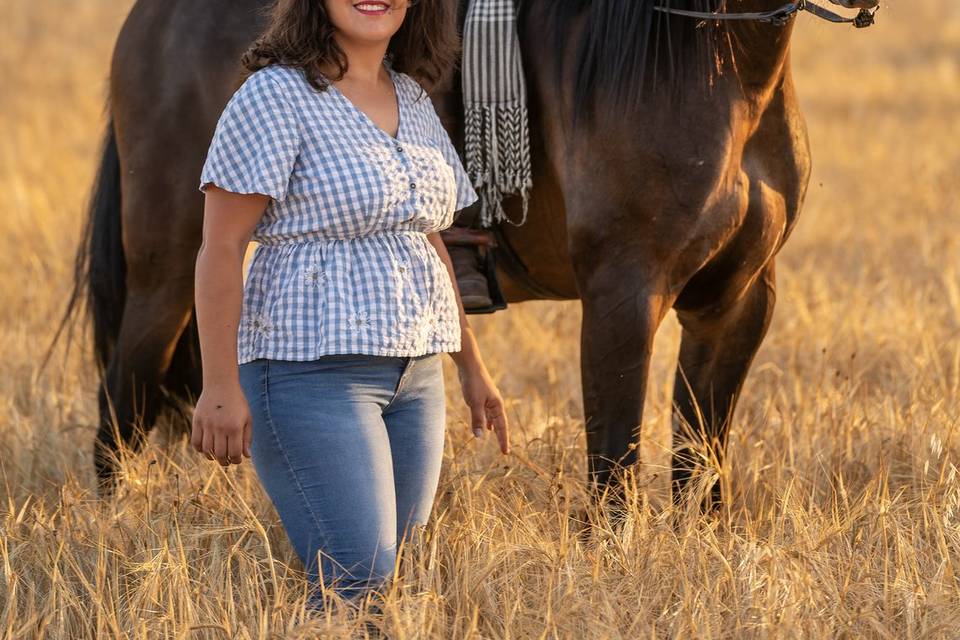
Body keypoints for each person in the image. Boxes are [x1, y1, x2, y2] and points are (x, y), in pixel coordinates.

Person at [191, 0, 510, 608]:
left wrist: (471, 366)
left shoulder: (413, 97)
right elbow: (221, 247)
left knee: (403, 580)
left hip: (415, 376)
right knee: (356, 582)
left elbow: (426, 237)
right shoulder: (274, 98)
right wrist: (219, 386)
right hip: (310, 374)